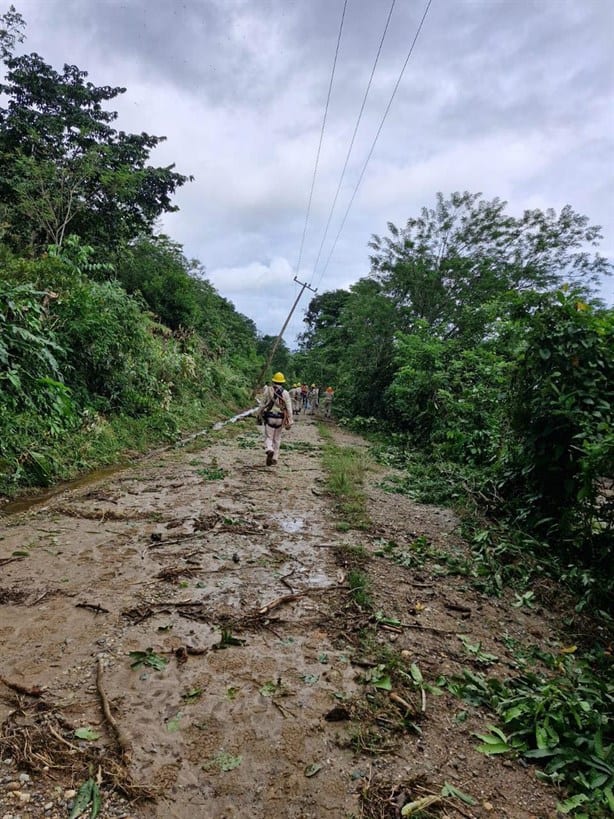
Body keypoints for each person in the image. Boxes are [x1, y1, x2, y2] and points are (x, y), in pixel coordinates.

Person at [257, 372, 293, 466]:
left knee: (269, 437)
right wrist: (290, 420)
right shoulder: (285, 393)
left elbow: (262, 404)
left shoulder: (268, 390)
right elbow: (289, 408)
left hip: (269, 417)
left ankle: (269, 449)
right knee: (277, 438)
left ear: (273, 381)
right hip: (280, 418)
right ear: (282, 382)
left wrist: (258, 414)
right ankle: (275, 457)